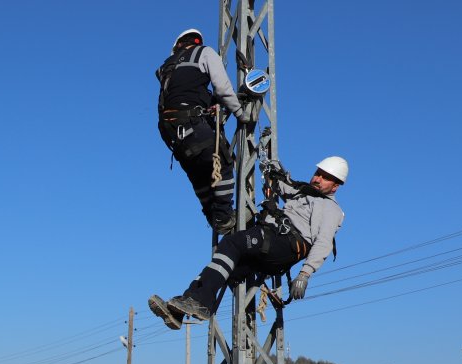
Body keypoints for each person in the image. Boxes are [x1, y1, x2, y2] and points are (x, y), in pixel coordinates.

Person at [148, 156, 348, 331]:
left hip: (285, 243)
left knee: (231, 244)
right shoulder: (303, 192)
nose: (317, 178)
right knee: (224, 266)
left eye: (325, 177)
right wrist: (270, 165)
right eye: (317, 173)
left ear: (335, 186)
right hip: (274, 240)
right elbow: (282, 183)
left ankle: (200, 303)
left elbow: (323, 243)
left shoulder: (331, 209)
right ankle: (181, 311)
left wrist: (305, 273)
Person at [156, 28, 246, 234]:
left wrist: (208, 104)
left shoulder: (166, 67)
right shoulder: (204, 53)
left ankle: (211, 215)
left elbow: (184, 92)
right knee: (223, 163)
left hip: (169, 129)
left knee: (198, 174)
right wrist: (240, 113)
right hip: (190, 122)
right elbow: (222, 88)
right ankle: (223, 217)